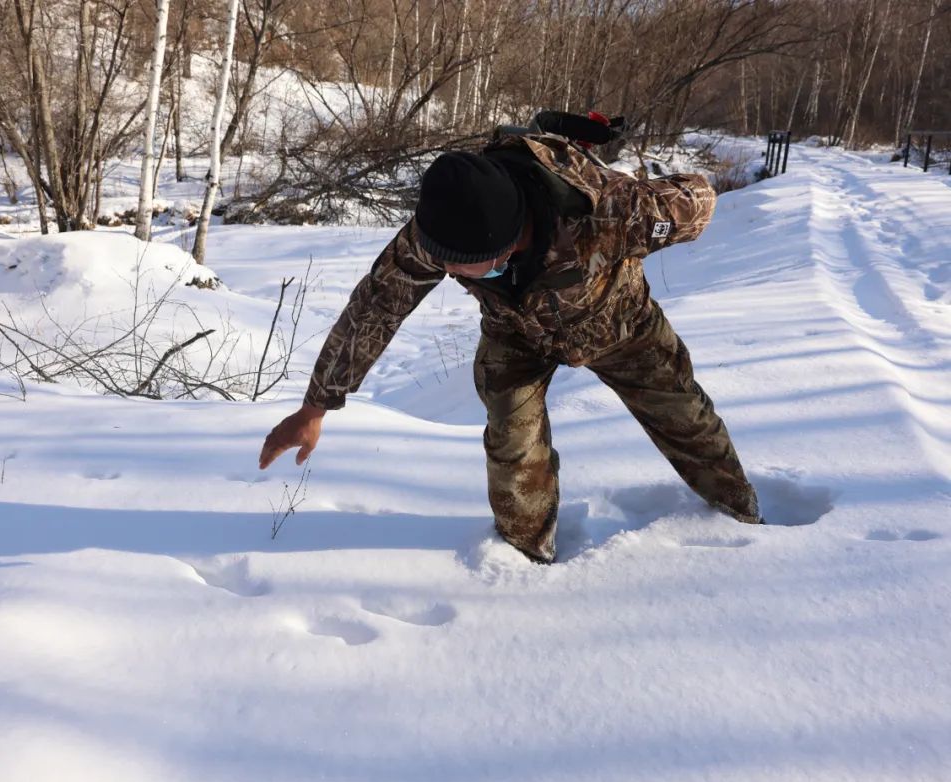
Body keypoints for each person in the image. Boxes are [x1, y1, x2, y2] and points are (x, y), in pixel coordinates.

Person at [258, 131, 761, 563]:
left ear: (507, 243)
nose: (448, 273)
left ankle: (742, 519)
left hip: (621, 326)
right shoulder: (438, 231)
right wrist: (317, 404)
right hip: (516, 334)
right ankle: (524, 562)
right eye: (445, 264)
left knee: (688, 420)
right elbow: (375, 307)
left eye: (463, 269)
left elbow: (698, 200)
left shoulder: (610, 211)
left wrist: (675, 199)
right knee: (513, 444)